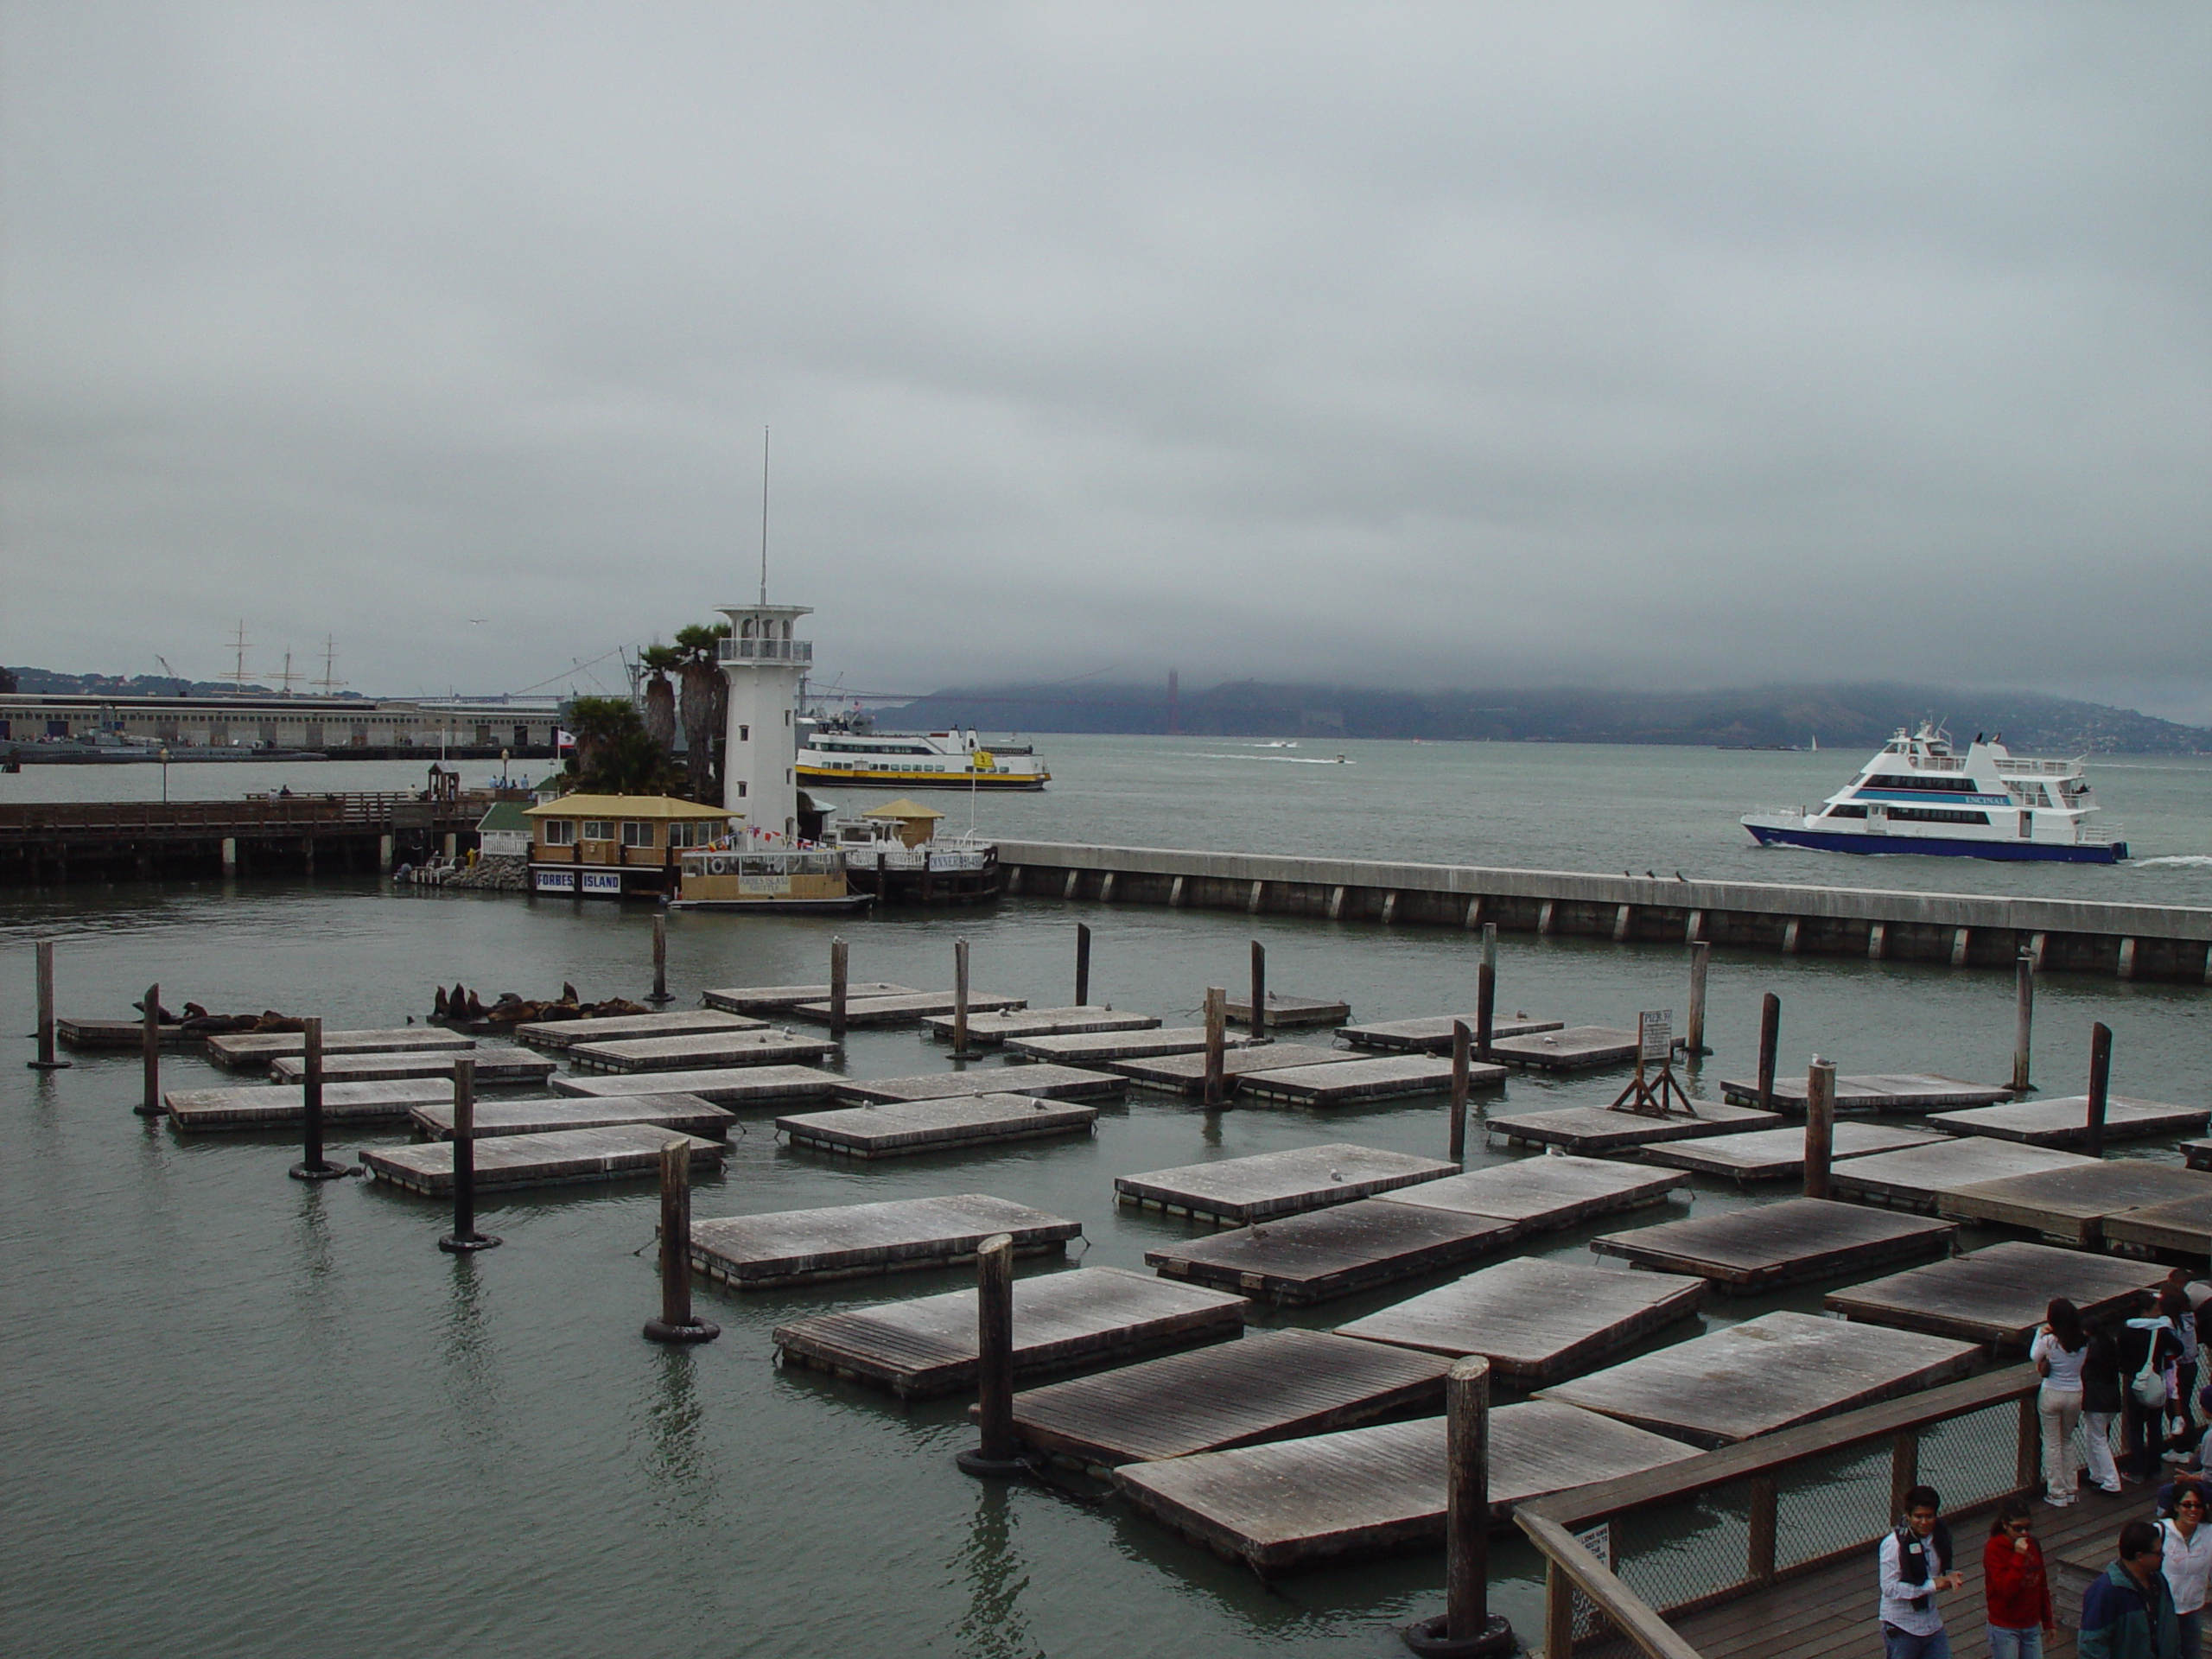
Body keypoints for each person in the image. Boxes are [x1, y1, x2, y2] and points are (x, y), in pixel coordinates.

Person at [1880, 1484, 1964, 1659]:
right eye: (1918, 1516)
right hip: (1901, 1627)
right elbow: (1890, 1588)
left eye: (1929, 1516)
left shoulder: (1939, 1537)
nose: (1924, 1522)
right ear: (1908, 1516)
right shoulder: (1893, 1544)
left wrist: (1948, 1576)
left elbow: (1938, 1571)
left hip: (1931, 1624)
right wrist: (1931, 1586)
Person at [2080, 1519, 2182, 1659]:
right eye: (2158, 1553)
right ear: (2140, 1556)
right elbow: (2091, 1647)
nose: (2163, 1557)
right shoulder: (2105, 1592)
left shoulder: (2159, 1582)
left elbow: (2171, 1632)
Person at [2124, 1294, 2188, 1482]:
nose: (2159, 1314)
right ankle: (2154, 1467)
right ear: (2145, 1312)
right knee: (2154, 1425)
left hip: (2133, 1381)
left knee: (2135, 1426)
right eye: (2155, 1310)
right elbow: (2179, 1349)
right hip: (2155, 1381)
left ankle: (2136, 1469)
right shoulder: (2160, 1331)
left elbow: (2121, 1356)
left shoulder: (2125, 1330)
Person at [1984, 1498, 2056, 1659]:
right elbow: (2006, 1591)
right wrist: (2019, 1556)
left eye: (2027, 1527)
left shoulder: (2033, 1543)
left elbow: (2041, 1583)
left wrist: (2048, 1621)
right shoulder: (1994, 1549)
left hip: (2031, 1625)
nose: (2024, 1533)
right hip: (2005, 1627)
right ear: (2005, 1525)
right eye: (2018, 1528)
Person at [2035, 1298, 2091, 1504]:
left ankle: (2056, 1492)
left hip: (2052, 1392)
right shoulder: (2083, 1341)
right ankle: (2071, 1489)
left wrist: (2039, 1334)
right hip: (2075, 1393)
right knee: (2067, 1440)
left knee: (2051, 1443)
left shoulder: (2050, 1340)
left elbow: (2035, 1356)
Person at [2165, 1487, 2212, 1659]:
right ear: (2176, 1507)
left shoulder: (2209, 1534)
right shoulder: (2160, 1532)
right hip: (2165, 1609)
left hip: (2193, 1608)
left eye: (2198, 1506)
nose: (2193, 1510)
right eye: (2187, 1505)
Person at [2086, 1316, 2130, 1495]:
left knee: (2098, 1439)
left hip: (2096, 1399)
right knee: (2092, 1434)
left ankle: (2112, 1482)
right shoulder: (2110, 1344)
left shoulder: (2092, 1349)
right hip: (2111, 1396)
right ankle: (2096, 1474)